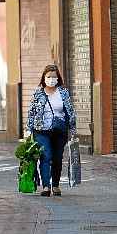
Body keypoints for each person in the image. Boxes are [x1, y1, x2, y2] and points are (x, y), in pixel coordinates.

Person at [25, 64, 77, 196]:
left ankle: (56, 185)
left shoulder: (63, 93)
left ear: (58, 78)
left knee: (57, 157)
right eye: (48, 77)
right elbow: (32, 112)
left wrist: (72, 129)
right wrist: (28, 130)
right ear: (44, 78)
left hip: (60, 130)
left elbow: (70, 111)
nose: (51, 79)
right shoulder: (38, 93)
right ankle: (46, 186)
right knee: (46, 156)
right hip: (41, 130)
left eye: (54, 77)